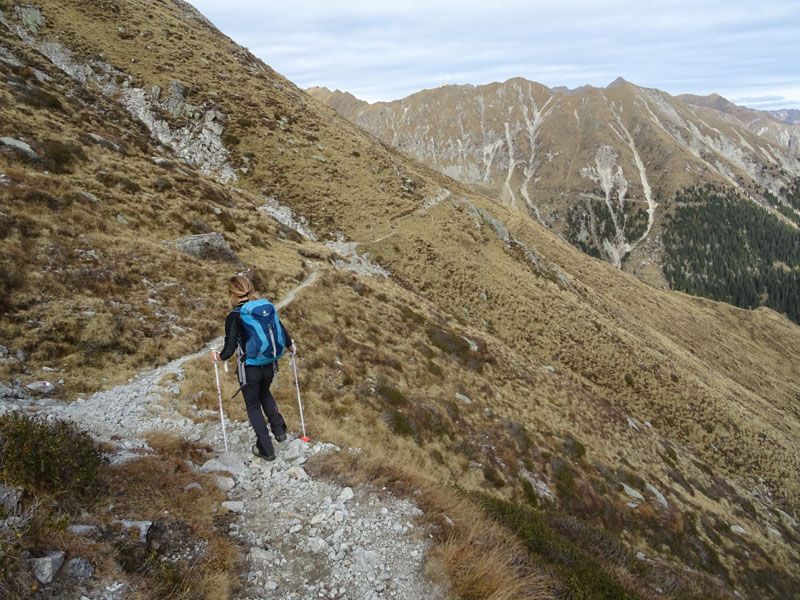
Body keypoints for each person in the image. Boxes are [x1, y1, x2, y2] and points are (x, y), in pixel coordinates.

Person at [211, 275, 295, 461]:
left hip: (250, 368)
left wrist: (218, 356)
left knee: (253, 404)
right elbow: (281, 330)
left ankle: (266, 448)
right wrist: (290, 347)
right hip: (269, 363)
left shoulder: (234, 316)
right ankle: (279, 430)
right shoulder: (264, 309)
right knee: (265, 393)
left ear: (232, 294)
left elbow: (229, 348)